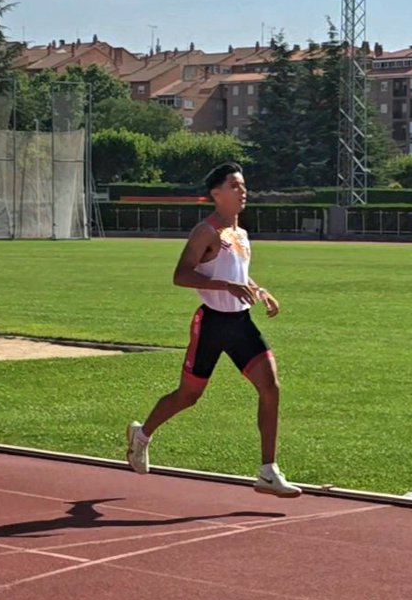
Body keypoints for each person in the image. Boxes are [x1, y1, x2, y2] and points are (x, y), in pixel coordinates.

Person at [125, 162, 301, 497]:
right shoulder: (205, 232)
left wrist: (260, 290)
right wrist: (225, 286)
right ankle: (142, 434)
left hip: (241, 323)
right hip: (211, 324)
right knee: (188, 396)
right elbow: (181, 275)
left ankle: (267, 471)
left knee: (271, 387)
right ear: (216, 194)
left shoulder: (241, 234)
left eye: (243, 185)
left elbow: (238, 275)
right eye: (235, 185)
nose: (243, 191)